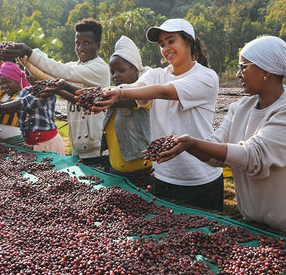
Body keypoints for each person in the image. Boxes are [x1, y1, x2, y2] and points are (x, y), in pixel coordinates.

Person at [158, 35, 286, 248]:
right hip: (261, 229)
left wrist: (193, 144)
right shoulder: (240, 108)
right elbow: (215, 155)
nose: (238, 74)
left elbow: (254, 156)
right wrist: (184, 145)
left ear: (266, 71)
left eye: (244, 67)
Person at [94, 19, 223, 211]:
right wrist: (113, 92)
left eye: (171, 41)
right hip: (164, 176)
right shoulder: (156, 74)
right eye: (162, 44)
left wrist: (119, 93)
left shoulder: (206, 77)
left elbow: (163, 91)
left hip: (200, 177)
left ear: (188, 41)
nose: (165, 48)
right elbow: (136, 87)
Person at [0, 18, 110, 168]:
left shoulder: (99, 68)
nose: (81, 48)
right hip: (79, 147)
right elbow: (48, 76)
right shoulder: (75, 66)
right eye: (77, 43)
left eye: (87, 43)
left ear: (98, 46)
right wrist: (22, 57)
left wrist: (29, 53)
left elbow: (61, 71)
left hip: (96, 149)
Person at [100, 36, 152, 187]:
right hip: (115, 171)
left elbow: (119, 100)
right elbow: (87, 97)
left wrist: (63, 86)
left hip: (141, 174)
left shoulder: (144, 94)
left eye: (121, 70)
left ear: (135, 70)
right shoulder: (113, 92)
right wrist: (61, 87)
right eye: (113, 71)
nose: (115, 75)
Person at [0, 69, 65, 154]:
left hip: (47, 143)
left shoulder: (47, 91)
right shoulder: (26, 90)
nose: (30, 76)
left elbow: (22, 103)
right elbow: (11, 105)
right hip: (30, 143)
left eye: (34, 73)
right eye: (28, 73)